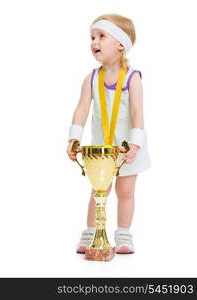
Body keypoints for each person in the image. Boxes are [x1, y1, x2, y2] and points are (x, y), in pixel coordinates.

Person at [66, 13, 151, 254]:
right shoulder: (91, 79)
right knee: (98, 190)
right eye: (92, 37)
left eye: (101, 36)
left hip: (128, 149)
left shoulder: (133, 78)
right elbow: (81, 109)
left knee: (125, 190)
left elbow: (137, 113)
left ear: (121, 44)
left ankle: (123, 233)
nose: (94, 42)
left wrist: (135, 144)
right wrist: (73, 139)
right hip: (101, 148)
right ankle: (91, 232)